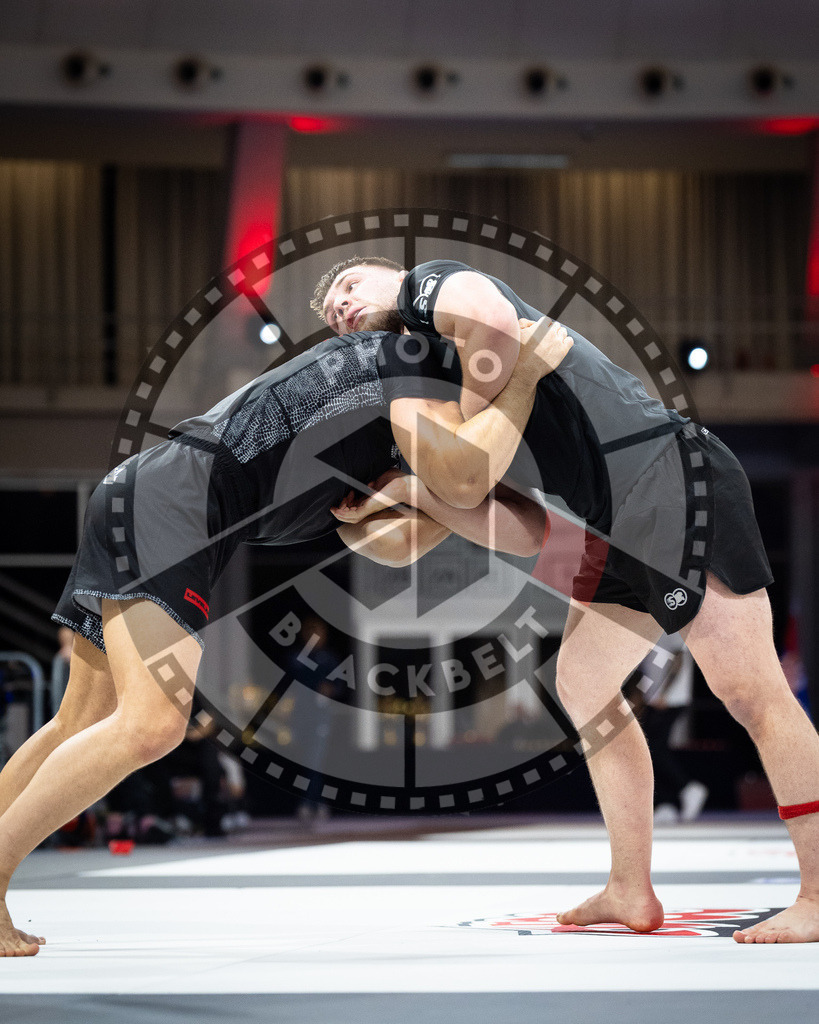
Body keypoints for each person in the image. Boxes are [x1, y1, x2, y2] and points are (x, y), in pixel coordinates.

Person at [0, 321, 561, 956]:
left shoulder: (389, 431)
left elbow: (400, 540)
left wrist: (416, 492)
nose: (342, 309)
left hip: (148, 496)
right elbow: (468, 483)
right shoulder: (405, 366)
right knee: (152, 725)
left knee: (79, 721)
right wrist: (521, 384)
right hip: (172, 504)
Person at [316, 255, 819, 944]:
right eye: (330, 314)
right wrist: (417, 490)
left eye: (349, 286)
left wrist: (459, 458)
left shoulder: (431, 286)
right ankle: (629, 887)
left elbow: (491, 316)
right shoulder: (432, 390)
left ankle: (818, 893)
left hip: (667, 474)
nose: (341, 307)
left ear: (391, 274)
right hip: (615, 518)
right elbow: (524, 530)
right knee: (583, 683)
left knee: (749, 691)